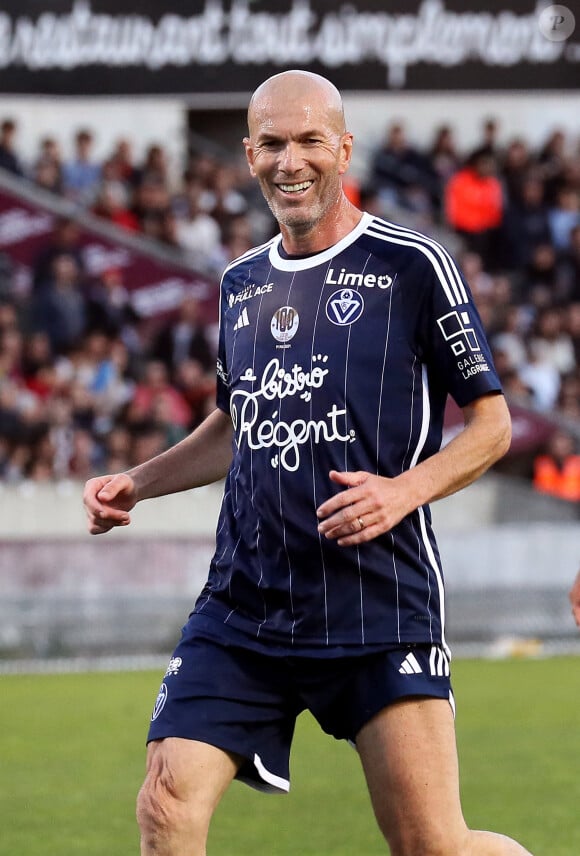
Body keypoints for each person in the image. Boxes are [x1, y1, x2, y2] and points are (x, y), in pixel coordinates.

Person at [83, 70, 533, 856]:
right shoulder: (240, 282)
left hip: (376, 600)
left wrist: (403, 492)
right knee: (165, 804)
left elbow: (493, 427)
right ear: (249, 156)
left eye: (309, 141)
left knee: (433, 845)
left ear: (345, 149)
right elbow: (233, 423)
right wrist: (139, 483)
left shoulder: (413, 265)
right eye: (271, 144)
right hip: (245, 603)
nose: (290, 161)